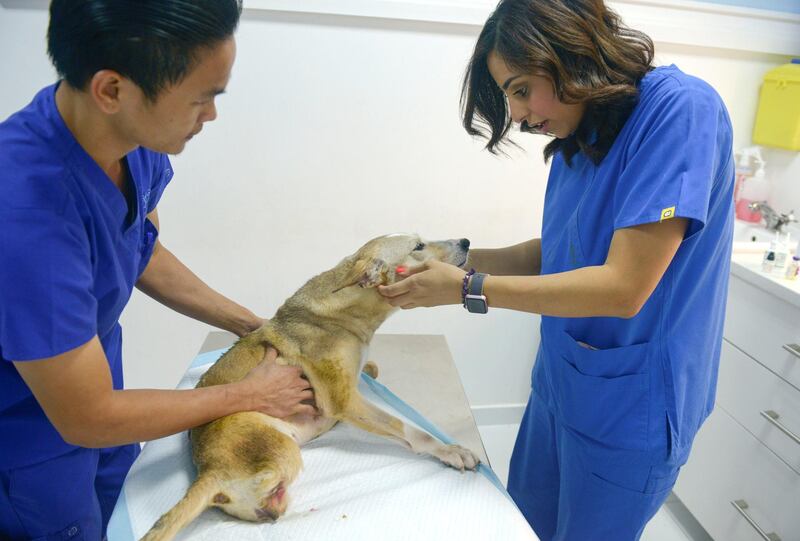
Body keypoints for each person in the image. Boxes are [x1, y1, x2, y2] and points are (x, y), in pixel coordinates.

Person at [379, 0, 734, 539]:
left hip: (631, 405)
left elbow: (623, 286)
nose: (518, 115)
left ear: (571, 53)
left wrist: (468, 289)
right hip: (562, 385)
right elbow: (562, 252)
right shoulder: (579, 136)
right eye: (509, 97)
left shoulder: (680, 111)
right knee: (523, 526)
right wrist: (447, 261)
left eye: (521, 90)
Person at [0, 2, 315, 539]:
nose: (211, 115)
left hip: (102, 389)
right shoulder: (25, 216)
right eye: (202, 97)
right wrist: (249, 395)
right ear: (112, 90)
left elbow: (139, 245)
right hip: (35, 437)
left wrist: (253, 325)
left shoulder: (128, 142)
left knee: (127, 513)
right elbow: (86, 417)